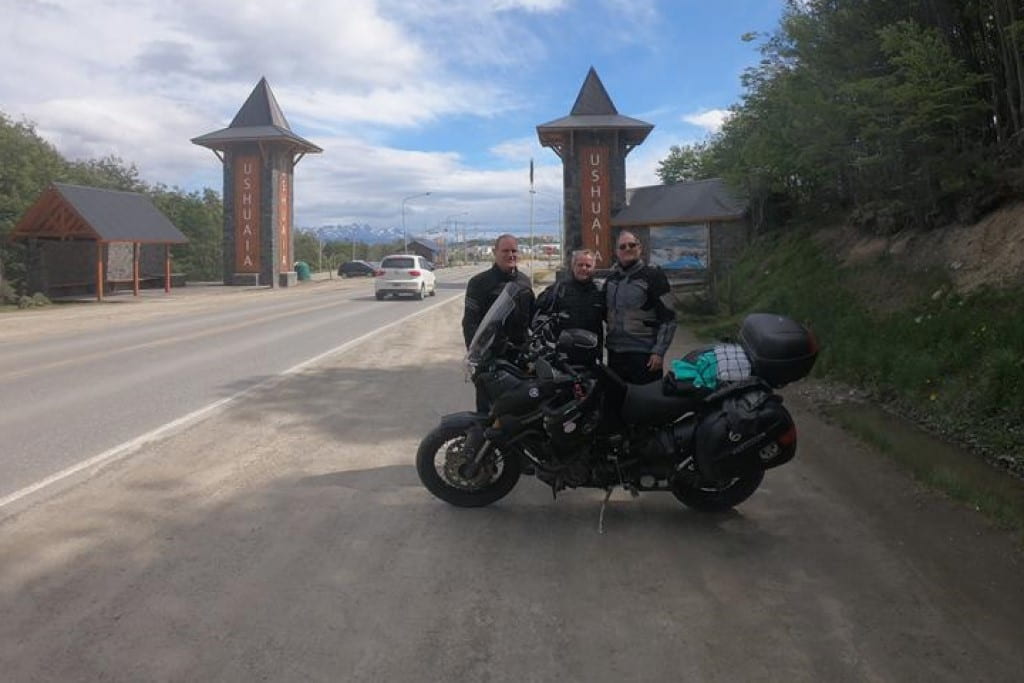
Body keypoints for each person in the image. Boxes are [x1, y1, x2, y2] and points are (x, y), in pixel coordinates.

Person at [462, 234, 536, 411]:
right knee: (488, 414)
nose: (510, 255)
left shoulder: (524, 282)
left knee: (519, 412)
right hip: (490, 358)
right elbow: (470, 324)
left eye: (514, 251)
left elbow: (533, 319)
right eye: (505, 251)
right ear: (495, 252)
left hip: (519, 359)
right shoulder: (479, 283)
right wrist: (478, 358)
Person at [604, 230, 676, 384]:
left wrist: (659, 352)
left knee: (645, 405)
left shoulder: (655, 277)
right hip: (615, 354)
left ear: (640, 248)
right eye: (622, 246)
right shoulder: (611, 280)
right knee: (617, 403)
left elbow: (669, 317)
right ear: (616, 252)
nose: (627, 249)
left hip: (644, 355)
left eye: (632, 245)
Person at [534, 249, 604, 366]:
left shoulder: (600, 291)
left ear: (594, 267)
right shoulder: (559, 289)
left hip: (592, 355)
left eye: (588, 265)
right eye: (580, 265)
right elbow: (538, 310)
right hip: (564, 357)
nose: (584, 268)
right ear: (573, 266)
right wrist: (543, 327)